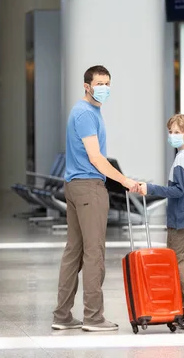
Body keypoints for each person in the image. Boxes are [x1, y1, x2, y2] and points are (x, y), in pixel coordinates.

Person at [52, 65, 139, 332]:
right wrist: (124, 181)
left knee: (74, 251)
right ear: (86, 86)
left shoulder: (88, 111)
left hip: (75, 186)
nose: (104, 88)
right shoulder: (86, 114)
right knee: (94, 252)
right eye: (99, 83)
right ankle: (93, 317)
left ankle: (62, 316)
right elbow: (96, 157)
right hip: (89, 187)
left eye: (107, 83)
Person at [138, 114, 184, 329]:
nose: (172, 136)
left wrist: (150, 189)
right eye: (170, 132)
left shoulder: (181, 159)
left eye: (177, 132)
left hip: (180, 218)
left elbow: (178, 191)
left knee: (176, 260)